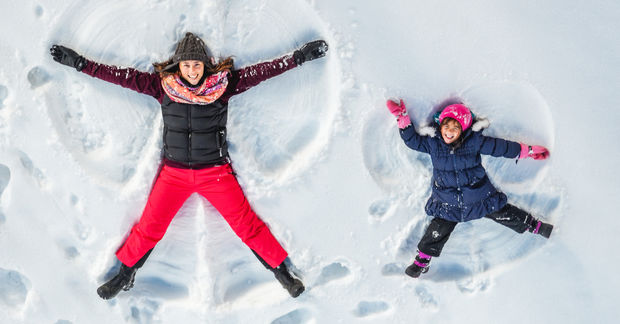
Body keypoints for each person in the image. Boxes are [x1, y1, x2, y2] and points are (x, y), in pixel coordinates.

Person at [50, 32, 328, 299]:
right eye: (187, 65)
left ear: (205, 65)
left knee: (247, 225)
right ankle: (125, 275)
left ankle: (282, 274)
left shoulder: (222, 86)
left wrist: (299, 57)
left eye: (197, 65)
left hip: (216, 174)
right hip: (174, 175)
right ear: (178, 66)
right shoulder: (163, 86)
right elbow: (119, 76)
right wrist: (79, 63)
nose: (192, 71)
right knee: (149, 227)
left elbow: (263, 71)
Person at [385, 99, 553, 278]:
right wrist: (402, 118)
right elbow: (412, 141)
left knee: (504, 213)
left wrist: (528, 151)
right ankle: (422, 260)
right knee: (437, 229)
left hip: (478, 196)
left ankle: (534, 225)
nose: (450, 132)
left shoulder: (473, 142)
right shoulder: (433, 143)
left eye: (455, 128)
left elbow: (500, 147)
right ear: (440, 125)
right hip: (448, 201)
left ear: (463, 130)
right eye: (446, 126)